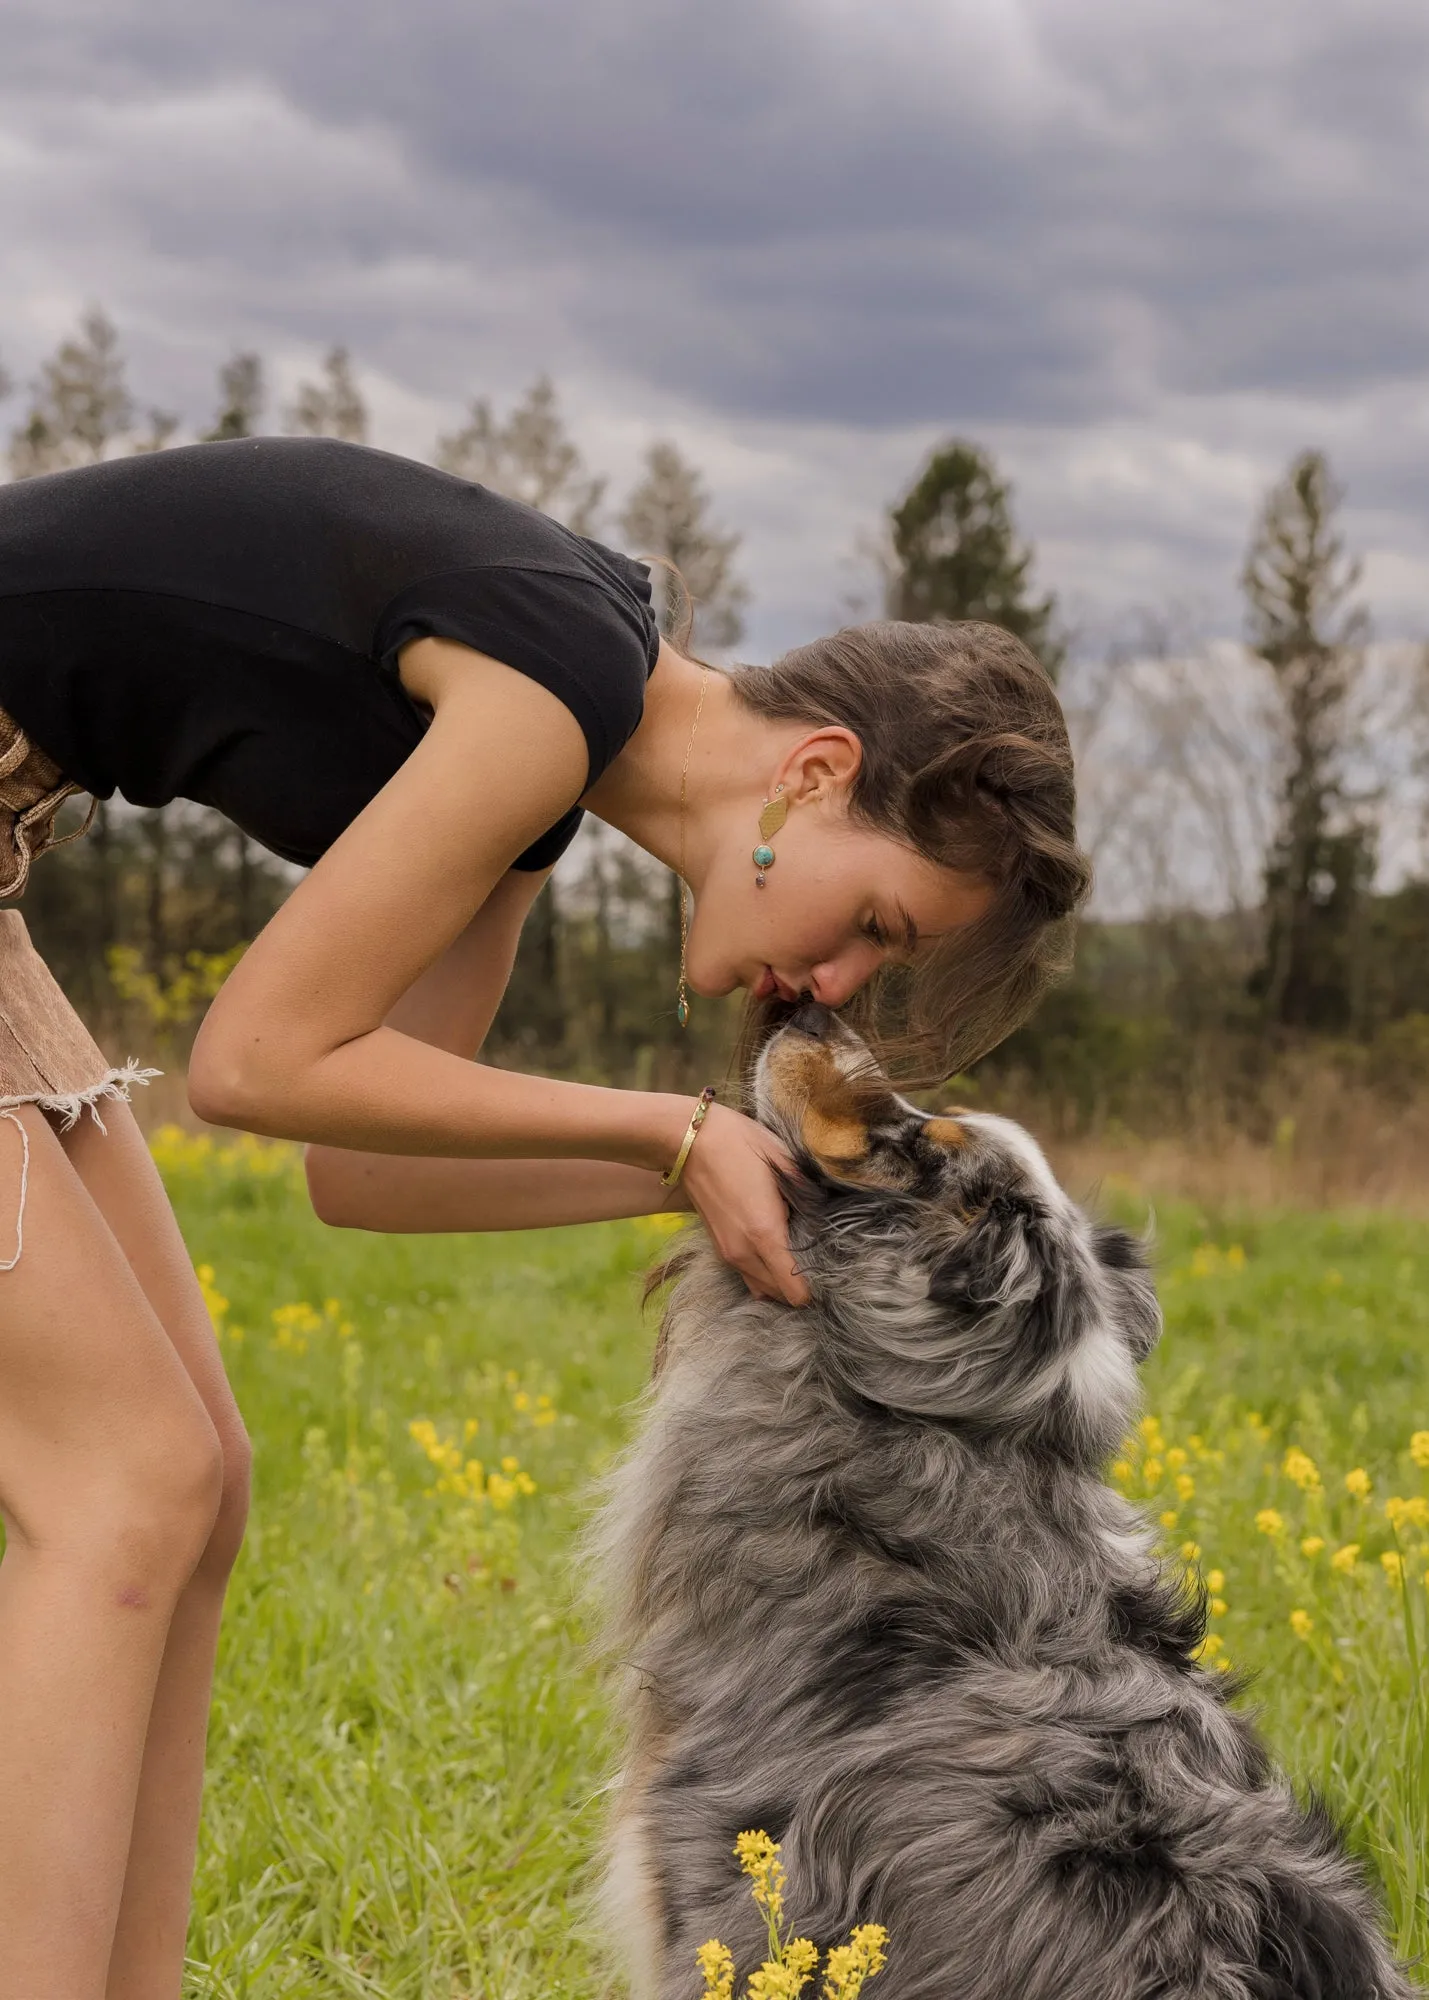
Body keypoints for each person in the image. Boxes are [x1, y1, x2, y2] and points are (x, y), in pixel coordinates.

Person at [0, 434, 1090, 1999]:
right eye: (873, 925)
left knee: (204, 1482)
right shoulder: (560, 680)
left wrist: (717, 1164)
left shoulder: (553, 753)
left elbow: (357, 1164)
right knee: (126, 1487)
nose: (842, 984)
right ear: (815, 769)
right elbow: (251, 1065)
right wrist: (673, 1126)